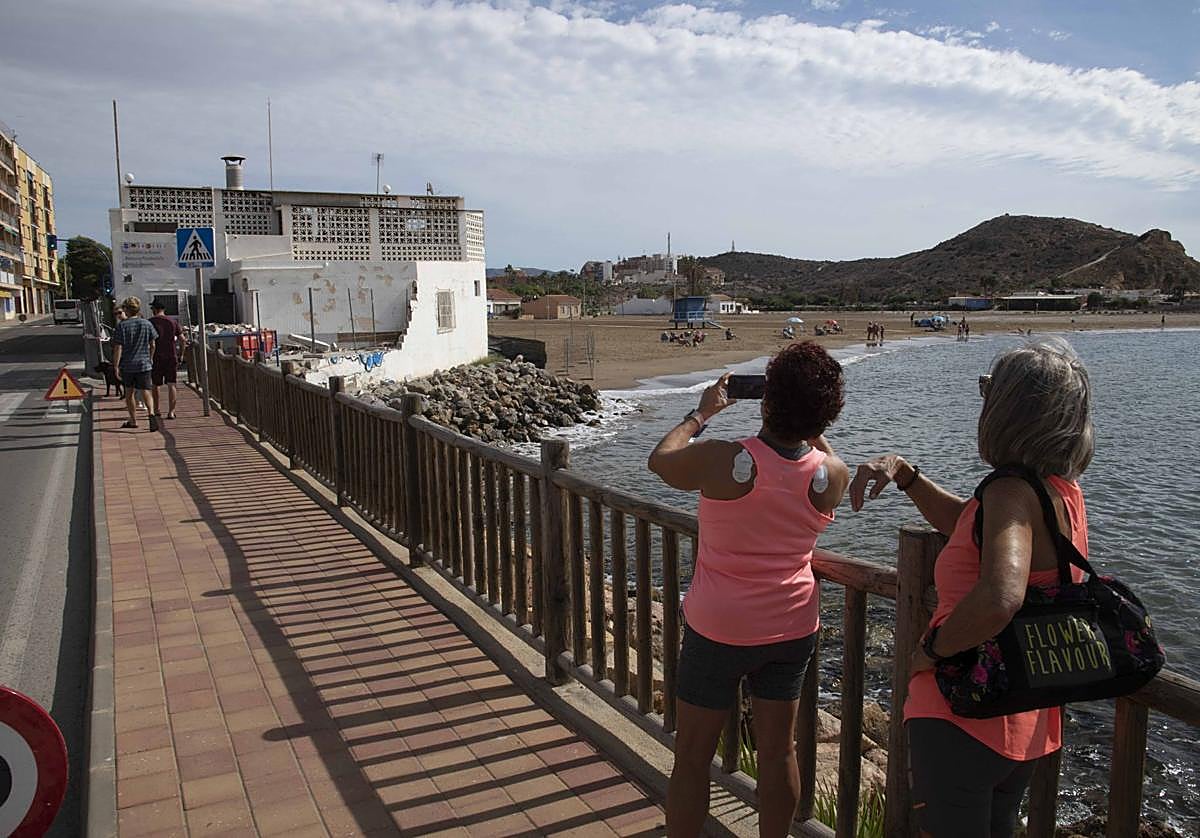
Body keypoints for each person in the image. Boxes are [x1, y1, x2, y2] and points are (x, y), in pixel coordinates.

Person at [848, 339, 1094, 838]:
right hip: (1021, 714)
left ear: (1010, 410)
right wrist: (906, 474)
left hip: (965, 712)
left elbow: (1001, 596)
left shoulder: (1009, 491)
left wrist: (930, 652)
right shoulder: (1057, 492)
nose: (982, 401)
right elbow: (968, 523)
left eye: (988, 389)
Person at [648, 342, 850, 838]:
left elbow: (661, 459)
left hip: (719, 627)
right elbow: (821, 456)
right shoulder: (832, 475)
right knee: (779, 752)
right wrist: (808, 422)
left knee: (693, 756)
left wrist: (702, 413)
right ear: (825, 414)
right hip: (792, 626)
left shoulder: (725, 459)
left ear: (766, 399)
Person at [111, 296, 158, 430]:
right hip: (144, 363)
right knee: (146, 391)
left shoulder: (122, 326)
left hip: (128, 365)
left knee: (129, 393)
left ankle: (133, 420)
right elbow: (153, 344)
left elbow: (118, 347)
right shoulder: (146, 324)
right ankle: (151, 414)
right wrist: (150, 357)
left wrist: (116, 366)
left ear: (126, 309)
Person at [149, 301, 185, 420]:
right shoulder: (173, 322)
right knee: (172, 384)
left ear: (154, 309)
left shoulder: (150, 322)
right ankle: (171, 412)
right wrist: (181, 354)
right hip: (171, 355)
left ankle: (156, 409)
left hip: (156, 356)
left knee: (155, 384)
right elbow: (182, 339)